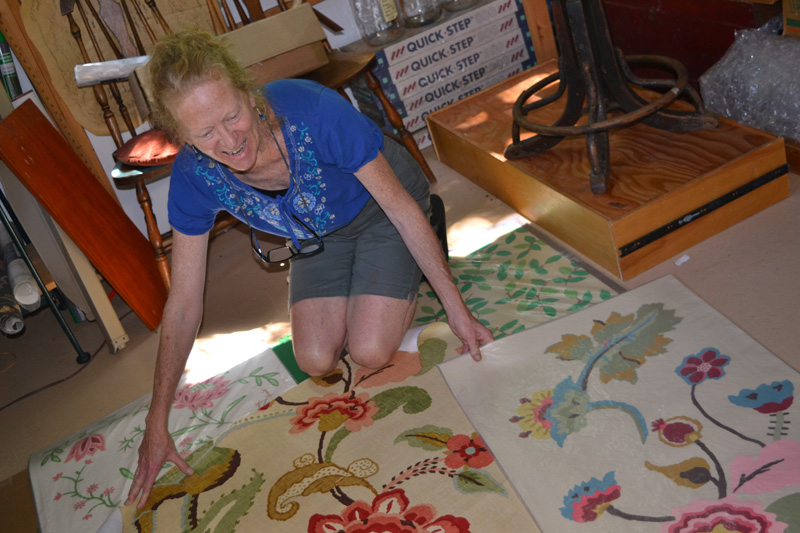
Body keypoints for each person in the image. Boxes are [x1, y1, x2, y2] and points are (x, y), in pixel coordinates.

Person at [125, 29, 493, 509]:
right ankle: (368, 274)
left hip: (381, 209)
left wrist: (457, 308)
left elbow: (400, 208)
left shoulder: (313, 111)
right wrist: (156, 423)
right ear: (183, 139)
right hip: (316, 233)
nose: (229, 140)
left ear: (247, 93)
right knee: (317, 359)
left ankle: (424, 240)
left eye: (231, 115)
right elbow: (183, 303)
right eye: (204, 133)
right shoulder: (193, 176)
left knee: (369, 349)